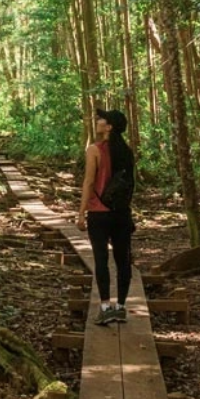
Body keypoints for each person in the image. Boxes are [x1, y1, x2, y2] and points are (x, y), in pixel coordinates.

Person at [76, 108, 134, 326]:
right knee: (123, 260)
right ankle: (120, 307)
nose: (98, 120)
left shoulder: (94, 150)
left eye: (102, 119)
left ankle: (104, 307)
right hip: (121, 214)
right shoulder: (126, 151)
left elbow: (89, 183)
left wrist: (81, 213)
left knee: (101, 260)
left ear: (109, 127)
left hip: (99, 213)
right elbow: (129, 186)